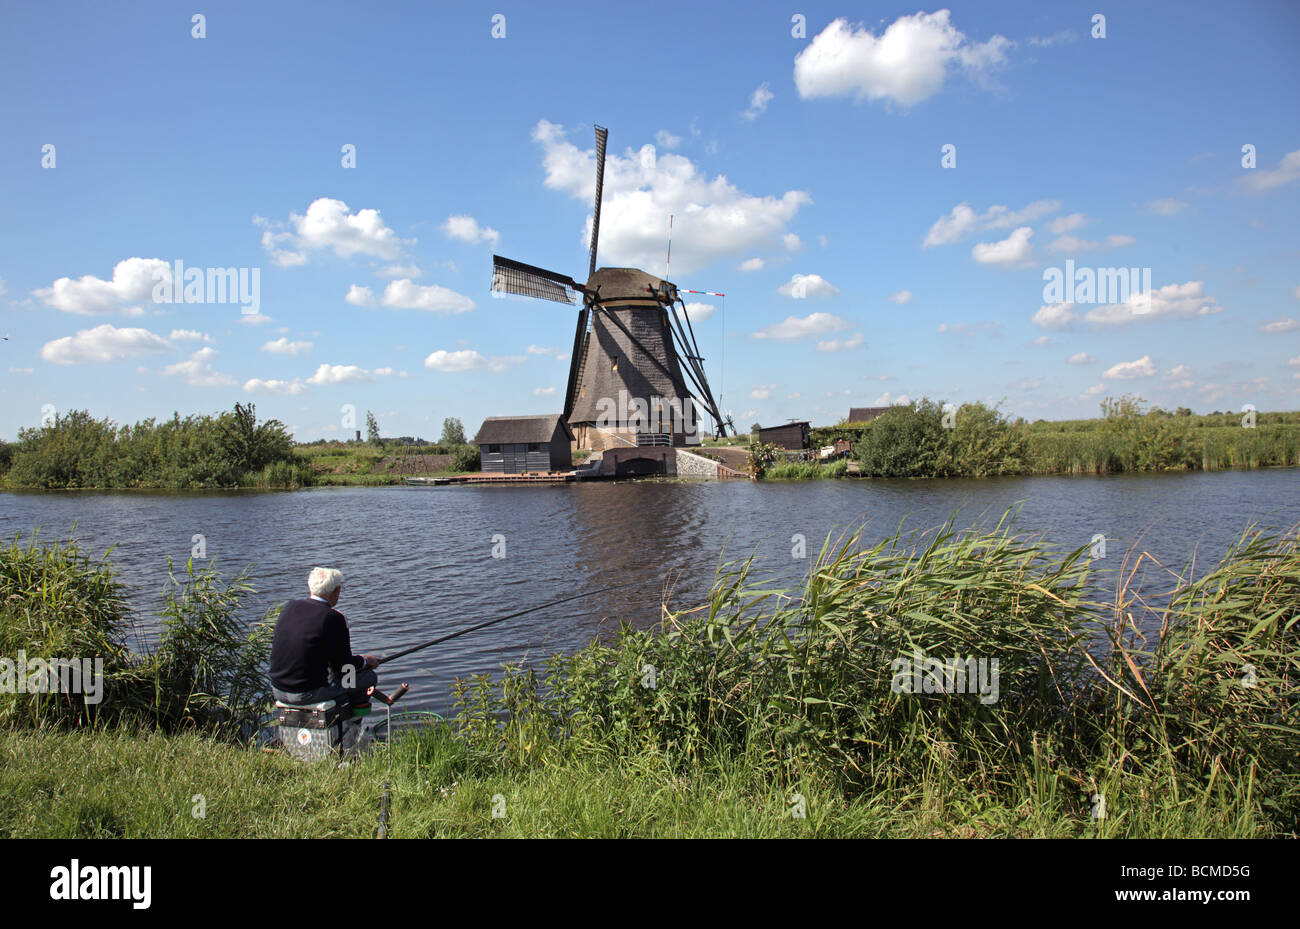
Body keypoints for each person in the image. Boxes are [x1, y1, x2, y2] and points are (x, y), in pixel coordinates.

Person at [269, 567, 380, 708]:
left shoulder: (290, 607)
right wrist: (365, 661)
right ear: (336, 591)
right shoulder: (333, 618)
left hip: (277, 690)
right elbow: (344, 667)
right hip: (307, 694)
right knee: (366, 677)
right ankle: (350, 722)